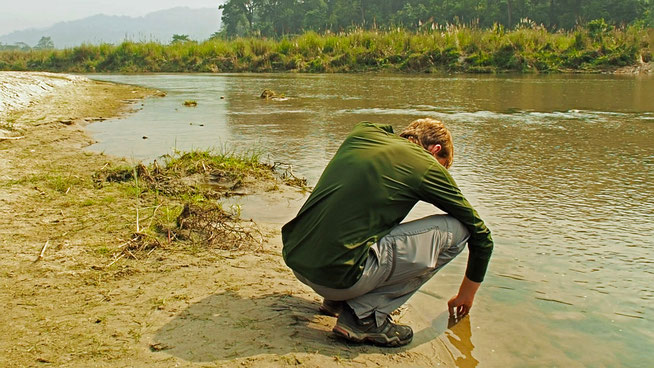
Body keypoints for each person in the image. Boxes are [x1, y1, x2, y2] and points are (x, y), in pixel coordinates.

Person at [281, 118, 493, 347]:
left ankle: (335, 302)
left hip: (298, 261)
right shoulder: (425, 164)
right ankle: (364, 316)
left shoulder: (363, 133)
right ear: (435, 150)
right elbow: (481, 234)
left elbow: (376, 125)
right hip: (337, 278)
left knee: (372, 211)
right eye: (442, 166)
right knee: (459, 229)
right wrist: (466, 295)